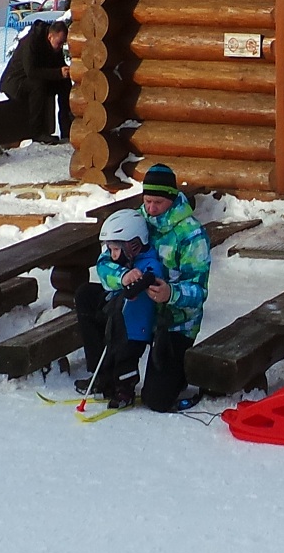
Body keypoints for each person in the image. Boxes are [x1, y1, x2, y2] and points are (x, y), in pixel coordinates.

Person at [73, 165, 211, 412]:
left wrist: (171, 293)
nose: (151, 209)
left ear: (171, 198)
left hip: (172, 321)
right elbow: (105, 261)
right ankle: (104, 375)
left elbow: (199, 292)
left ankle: (176, 374)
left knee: (157, 400)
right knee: (86, 295)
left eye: (158, 202)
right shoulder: (137, 220)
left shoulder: (191, 234)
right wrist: (123, 275)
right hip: (133, 305)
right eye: (147, 201)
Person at [0, 18, 70, 143]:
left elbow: (57, 66)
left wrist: (63, 73)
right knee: (38, 85)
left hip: (33, 78)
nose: (60, 47)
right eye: (59, 43)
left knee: (64, 83)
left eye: (63, 44)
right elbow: (31, 71)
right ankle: (37, 133)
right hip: (14, 81)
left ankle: (67, 128)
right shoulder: (31, 42)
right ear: (50, 37)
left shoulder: (54, 45)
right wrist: (58, 72)